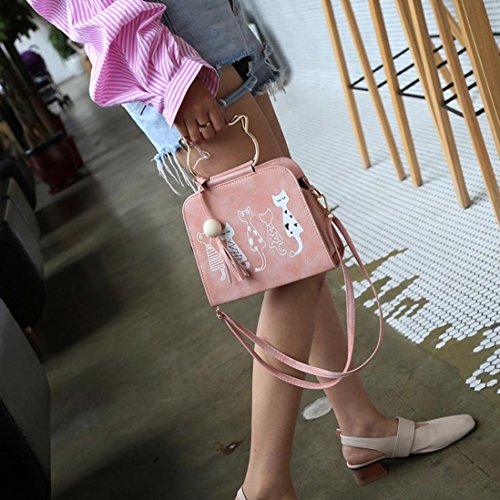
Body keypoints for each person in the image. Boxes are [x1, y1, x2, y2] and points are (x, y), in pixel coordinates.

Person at [27, 1, 475, 498]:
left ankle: (361, 425)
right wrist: (175, 80)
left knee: (302, 247)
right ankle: (264, 486)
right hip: (182, 61)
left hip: (211, 41)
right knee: (294, 260)